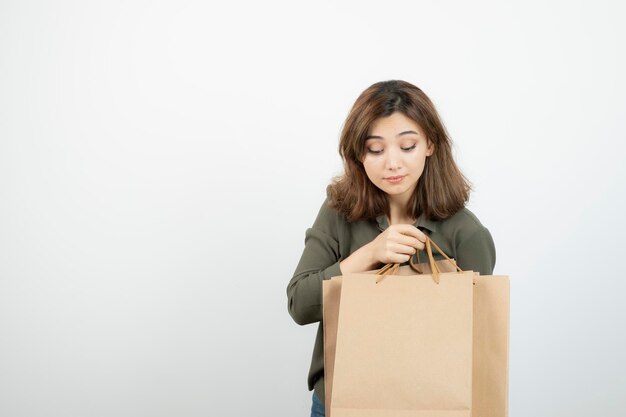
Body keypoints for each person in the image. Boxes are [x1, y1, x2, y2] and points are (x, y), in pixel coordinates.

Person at [286, 80, 496, 417]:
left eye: (407, 146)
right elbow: (299, 305)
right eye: (376, 149)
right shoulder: (339, 211)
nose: (392, 163)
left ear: (429, 144)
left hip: (433, 405)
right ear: (358, 154)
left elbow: (475, 343)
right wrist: (369, 255)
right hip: (343, 400)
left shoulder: (465, 233)